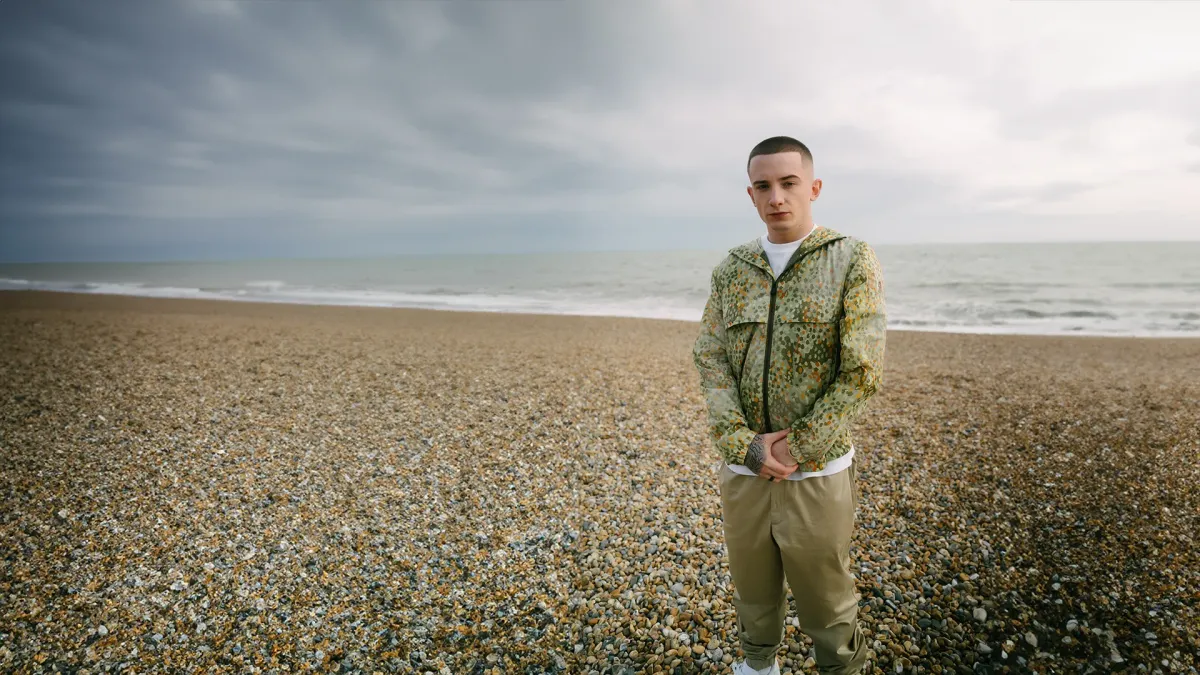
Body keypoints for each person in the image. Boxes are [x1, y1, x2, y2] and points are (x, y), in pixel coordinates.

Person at [692, 136, 886, 674]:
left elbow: (862, 369)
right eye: (763, 186)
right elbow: (710, 357)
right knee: (752, 590)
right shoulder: (732, 269)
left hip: (816, 472)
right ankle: (758, 666)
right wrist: (743, 444)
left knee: (828, 600)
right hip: (744, 469)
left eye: (789, 183)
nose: (776, 196)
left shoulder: (850, 258)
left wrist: (797, 446)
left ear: (814, 188)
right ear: (750, 194)